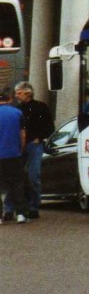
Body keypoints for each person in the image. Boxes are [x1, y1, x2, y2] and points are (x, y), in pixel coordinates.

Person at [11, 82, 52, 219]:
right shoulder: (17, 109)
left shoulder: (41, 107)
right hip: (19, 146)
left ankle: (34, 206)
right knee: (18, 177)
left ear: (28, 93)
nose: (17, 95)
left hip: (34, 145)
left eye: (19, 93)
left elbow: (49, 126)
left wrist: (39, 138)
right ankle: (21, 206)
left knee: (33, 175)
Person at [0, 87, 28, 224]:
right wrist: (21, 149)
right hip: (14, 154)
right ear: (9, 99)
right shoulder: (17, 113)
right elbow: (22, 135)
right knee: (17, 183)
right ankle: (21, 214)